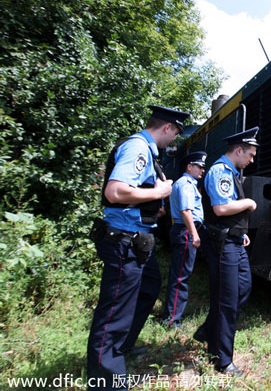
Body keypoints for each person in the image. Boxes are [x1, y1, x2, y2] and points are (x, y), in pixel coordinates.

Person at [87, 105, 190, 390]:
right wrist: (158, 192)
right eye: (176, 134)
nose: (174, 141)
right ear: (168, 127)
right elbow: (116, 190)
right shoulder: (139, 148)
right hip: (124, 241)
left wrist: (151, 207)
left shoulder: (146, 151)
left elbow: (132, 195)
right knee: (114, 312)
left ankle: (124, 345)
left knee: (149, 287)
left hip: (137, 239)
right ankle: (105, 381)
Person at [191, 127, 259, 376]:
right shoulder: (220, 171)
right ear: (238, 150)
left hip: (234, 241)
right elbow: (221, 208)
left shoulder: (231, 172)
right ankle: (222, 359)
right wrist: (249, 203)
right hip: (222, 245)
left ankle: (209, 331)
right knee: (226, 300)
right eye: (250, 154)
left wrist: (241, 233)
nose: (252, 160)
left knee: (243, 287)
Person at [162, 151, 207, 328]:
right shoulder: (186, 184)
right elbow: (186, 211)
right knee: (180, 276)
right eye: (199, 166)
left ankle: (174, 314)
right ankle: (172, 319)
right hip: (186, 231)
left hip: (184, 230)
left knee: (181, 274)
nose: (202, 170)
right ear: (189, 167)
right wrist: (194, 234)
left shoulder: (186, 183)